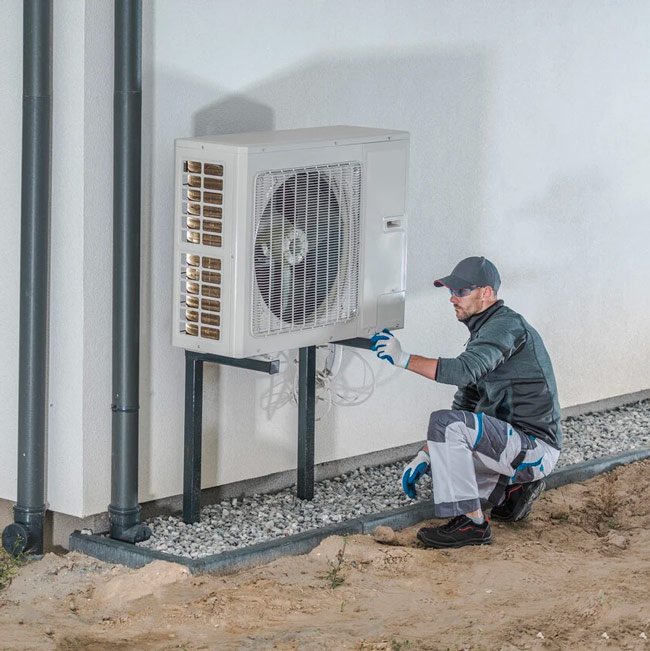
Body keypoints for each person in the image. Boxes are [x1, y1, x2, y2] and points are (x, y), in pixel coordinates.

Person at [371, 256, 562, 549]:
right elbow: (466, 400)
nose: (452, 298)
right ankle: (512, 493)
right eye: (451, 292)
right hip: (514, 445)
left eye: (461, 292)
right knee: (443, 459)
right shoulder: (485, 332)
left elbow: (463, 370)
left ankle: (472, 525)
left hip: (534, 446)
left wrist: (403, 358)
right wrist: (427, 453)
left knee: (444, 427)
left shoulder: (505, 326)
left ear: (486, 293)